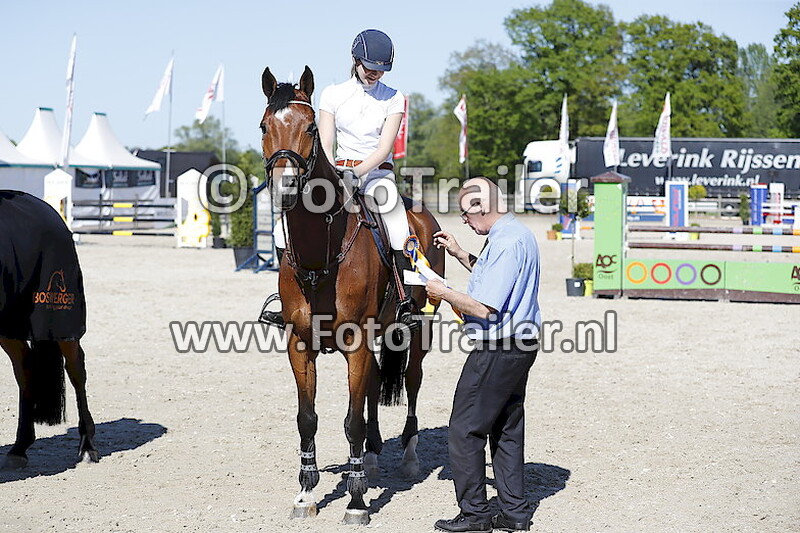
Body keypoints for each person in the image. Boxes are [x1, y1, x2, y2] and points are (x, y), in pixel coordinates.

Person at [263, 29, 416, 329]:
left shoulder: (394, 98)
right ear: (355, 60)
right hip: (336, 172)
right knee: (282, 230)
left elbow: (385, 147)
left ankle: (404, 301)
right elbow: (326, 142)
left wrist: (356, 174)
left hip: (376, 176)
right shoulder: (333, 94)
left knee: (397, 225)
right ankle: (285, 300)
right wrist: (332, 176)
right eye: (369, 66)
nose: (374, 74)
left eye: (381, 69)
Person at [426, 177, 541, 533]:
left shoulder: (505, 243)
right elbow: (496, 281)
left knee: (464, 431)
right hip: (521, 344)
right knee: (506, 430)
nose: (464, 219)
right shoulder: (516, 235)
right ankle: (514, 512)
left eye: (465, 212)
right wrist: (461, 254)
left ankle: (475, 515)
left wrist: (442, 292)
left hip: (497, 348)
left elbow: (484, 306)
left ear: (481, 205)